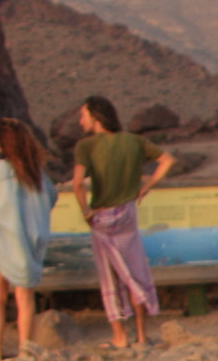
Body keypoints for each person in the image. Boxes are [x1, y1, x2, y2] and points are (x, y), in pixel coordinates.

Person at [69, 95, 173, 347]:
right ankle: (141, 334)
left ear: (95, 117)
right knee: (134, 272)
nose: (81, 120)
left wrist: (85, 211)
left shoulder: (86, 146)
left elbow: (77, 184)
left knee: (110, 277)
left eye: (83, 115)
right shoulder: (134, 142)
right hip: (126, 213)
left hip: (102, 215)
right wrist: (147, 185)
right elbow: (167, 160)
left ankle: (119, 336)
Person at [0, 118, 56, 361]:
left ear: (0, 145)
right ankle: (25, 351)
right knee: (25, 299)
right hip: (28, 242)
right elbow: (51, 198)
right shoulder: (35, 173)